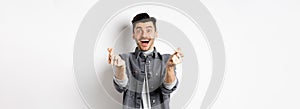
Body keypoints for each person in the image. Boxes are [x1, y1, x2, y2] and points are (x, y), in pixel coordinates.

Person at [107, 13, 183, 109]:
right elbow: (121, 87)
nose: (144, 35)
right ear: (133, 35)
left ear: (156, 33)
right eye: (139, 30)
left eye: (148, 30)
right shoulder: (124, 59)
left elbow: (168, 88)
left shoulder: (166, 60)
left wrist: (170, 68)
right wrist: (120, 68)